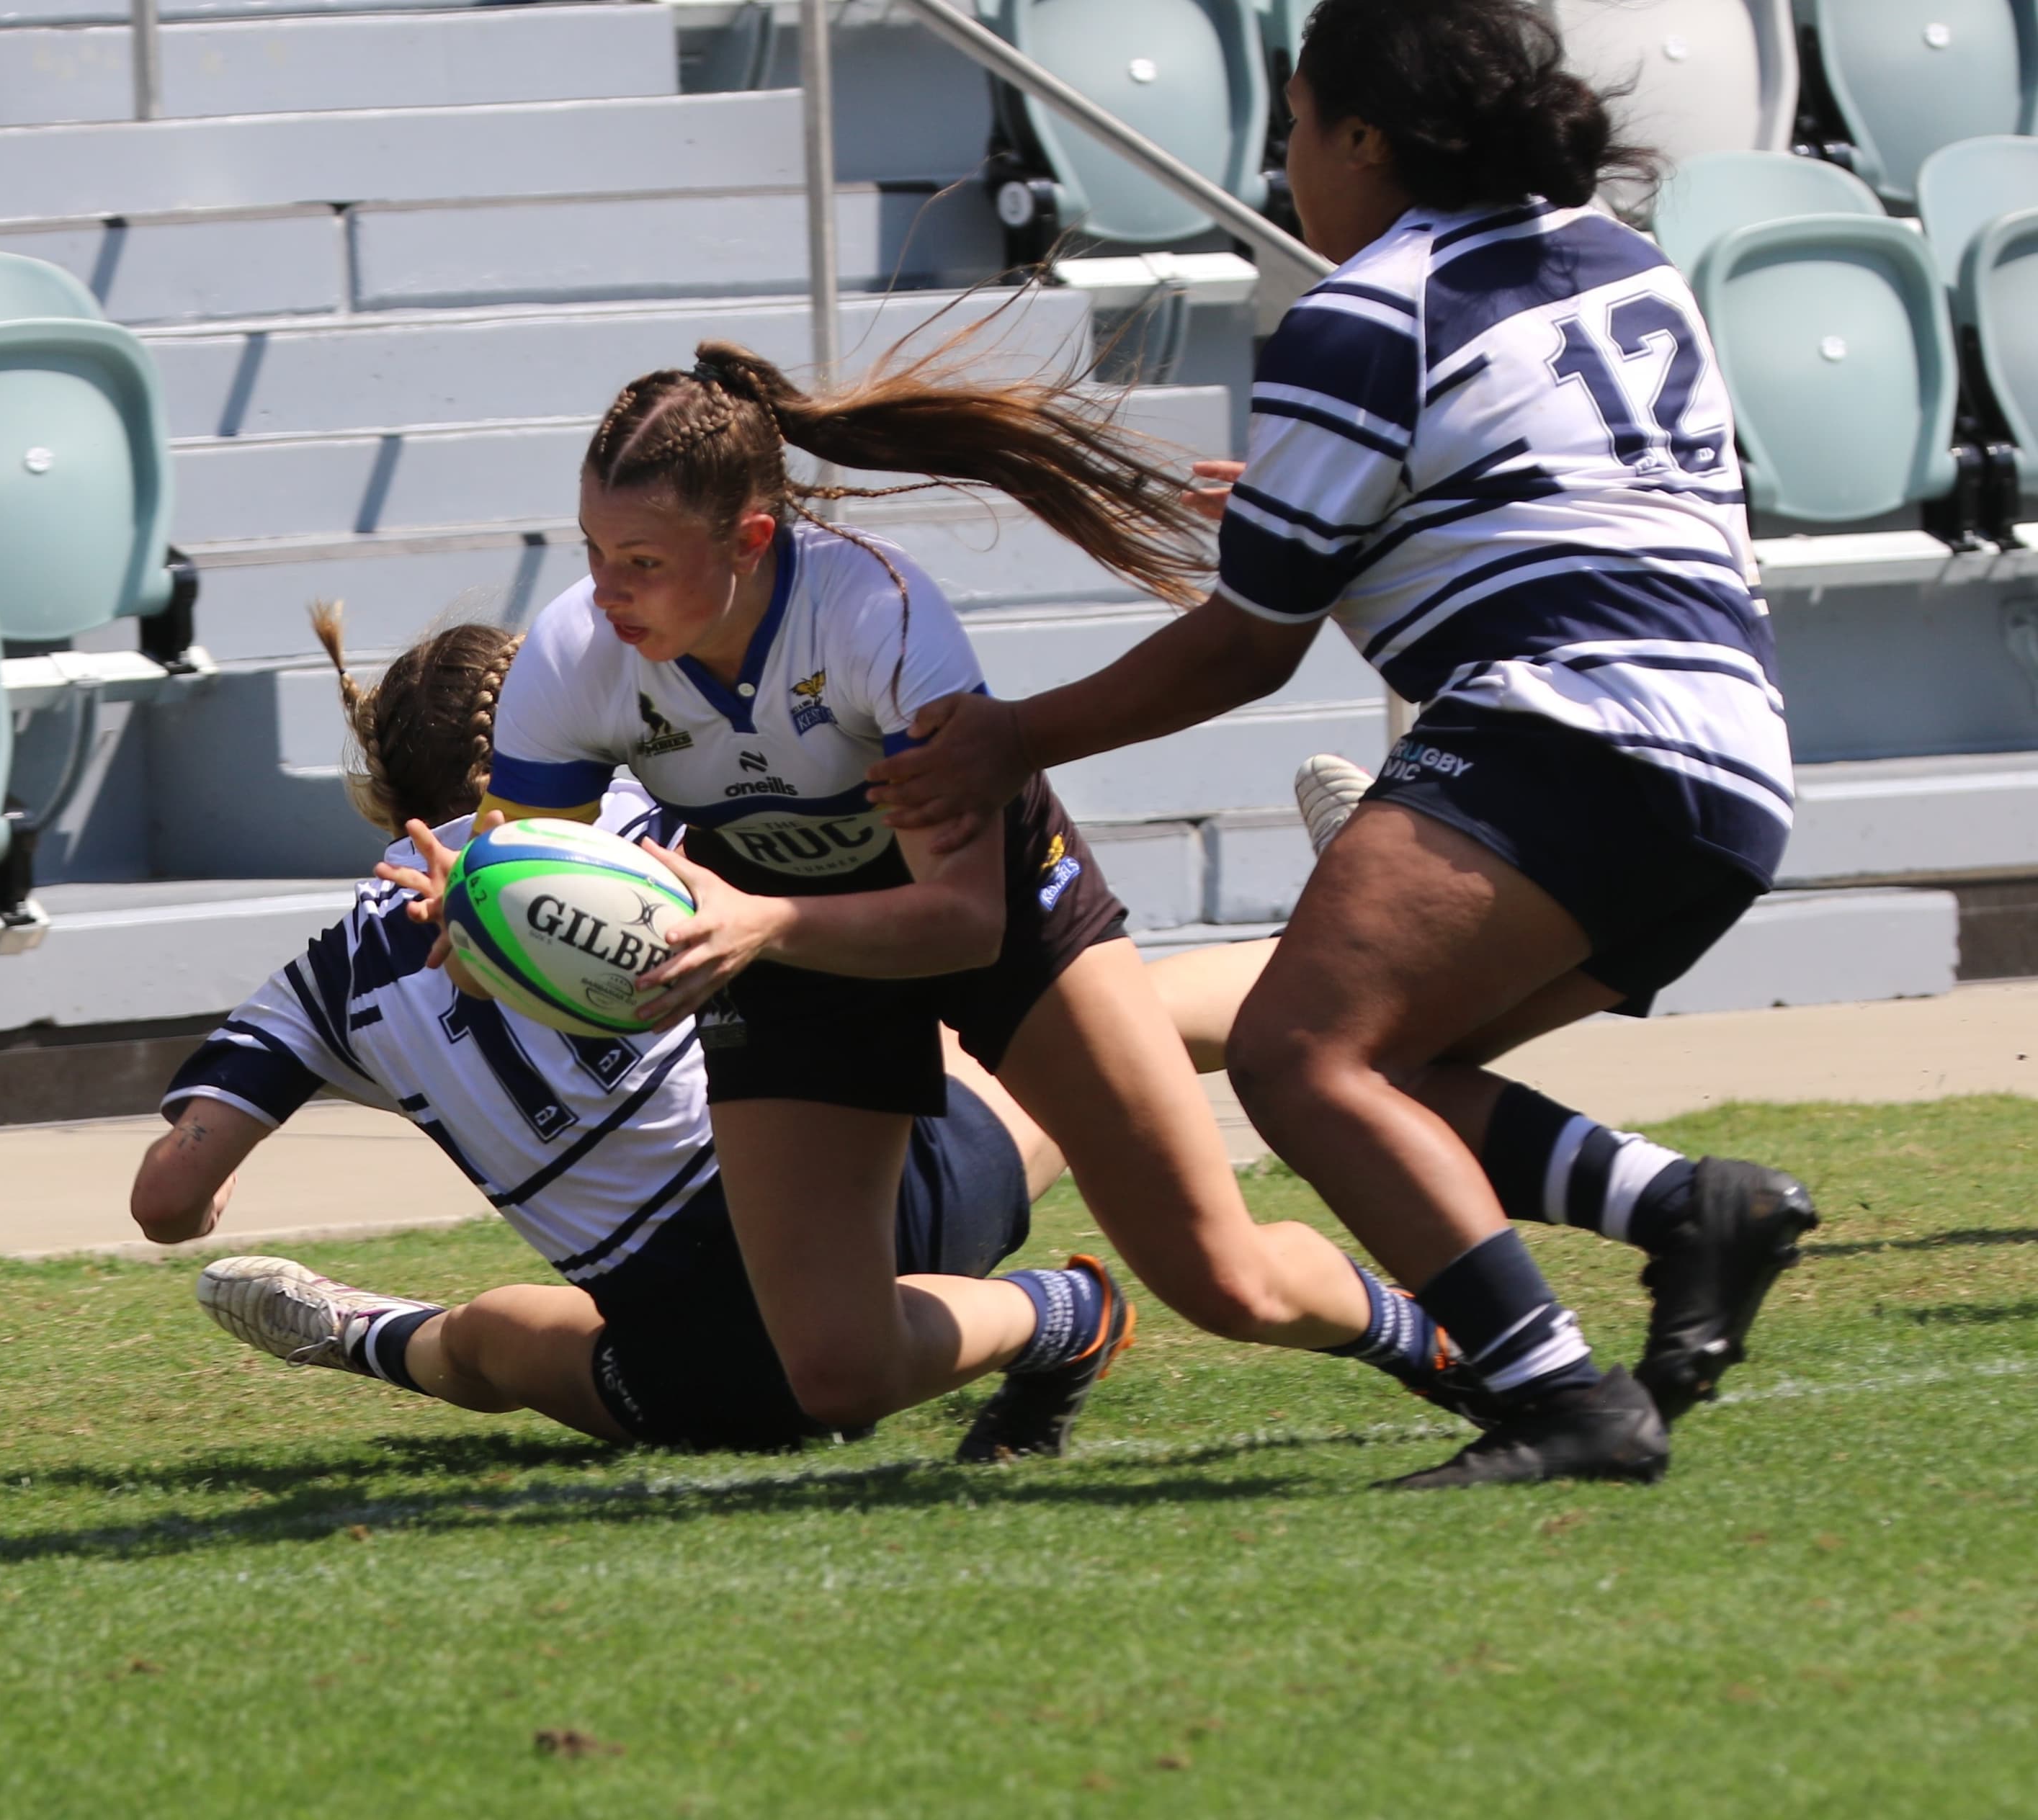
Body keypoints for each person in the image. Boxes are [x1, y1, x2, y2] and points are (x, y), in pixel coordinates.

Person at [869, 0, 1816, 1488]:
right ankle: (1692, 1205)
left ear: (1365, 136)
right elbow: (1555, 501)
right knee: (1392, 1074)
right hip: (1731, 761)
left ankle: (1565, 1399)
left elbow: (1252, 645)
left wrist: (1013, 739)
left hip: (1568, 730)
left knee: (1298, 1056)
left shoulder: (1374, 305)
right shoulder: (1626, 259)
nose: (1287, 153)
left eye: (1298, 121)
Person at [382, 336, 1506, 1459]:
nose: (606, 591)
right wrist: (479, 923)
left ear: (752, 542)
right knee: (833, 1372)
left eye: (641, 561)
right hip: (775, 936)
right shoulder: (576, 653)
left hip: (986, 911)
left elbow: (962, 922)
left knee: (1227, 1280)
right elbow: (529, 869)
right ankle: (1067, 1317)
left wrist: (764, 923)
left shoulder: (874, 614)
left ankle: (1453, 1344)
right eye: (592, 553)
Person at [133, 610, 1274, 1455]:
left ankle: (360, 1332)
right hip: (919, 1201)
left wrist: (205, 1181)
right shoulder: (661, 812)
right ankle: (1337, 998)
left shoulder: (325, 980)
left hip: (719, 1382)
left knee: (500, 1340)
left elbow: (165, 1204)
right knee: (1092, 1029)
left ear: (382, 791)